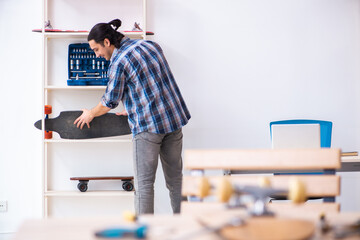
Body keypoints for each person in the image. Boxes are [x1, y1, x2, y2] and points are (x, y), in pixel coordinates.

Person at [74, 19, 191, 215]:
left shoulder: (118, 62)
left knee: (144, 186)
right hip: (173, 121)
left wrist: (91, 113)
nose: (98, 54)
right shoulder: (150, 45)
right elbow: (153, 81)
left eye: (96, 49)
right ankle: (185, 228)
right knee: (176, 181)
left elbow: (109, 101)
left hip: (147, 129)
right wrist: (134, 105)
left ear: (107, 42)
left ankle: (144, 234)